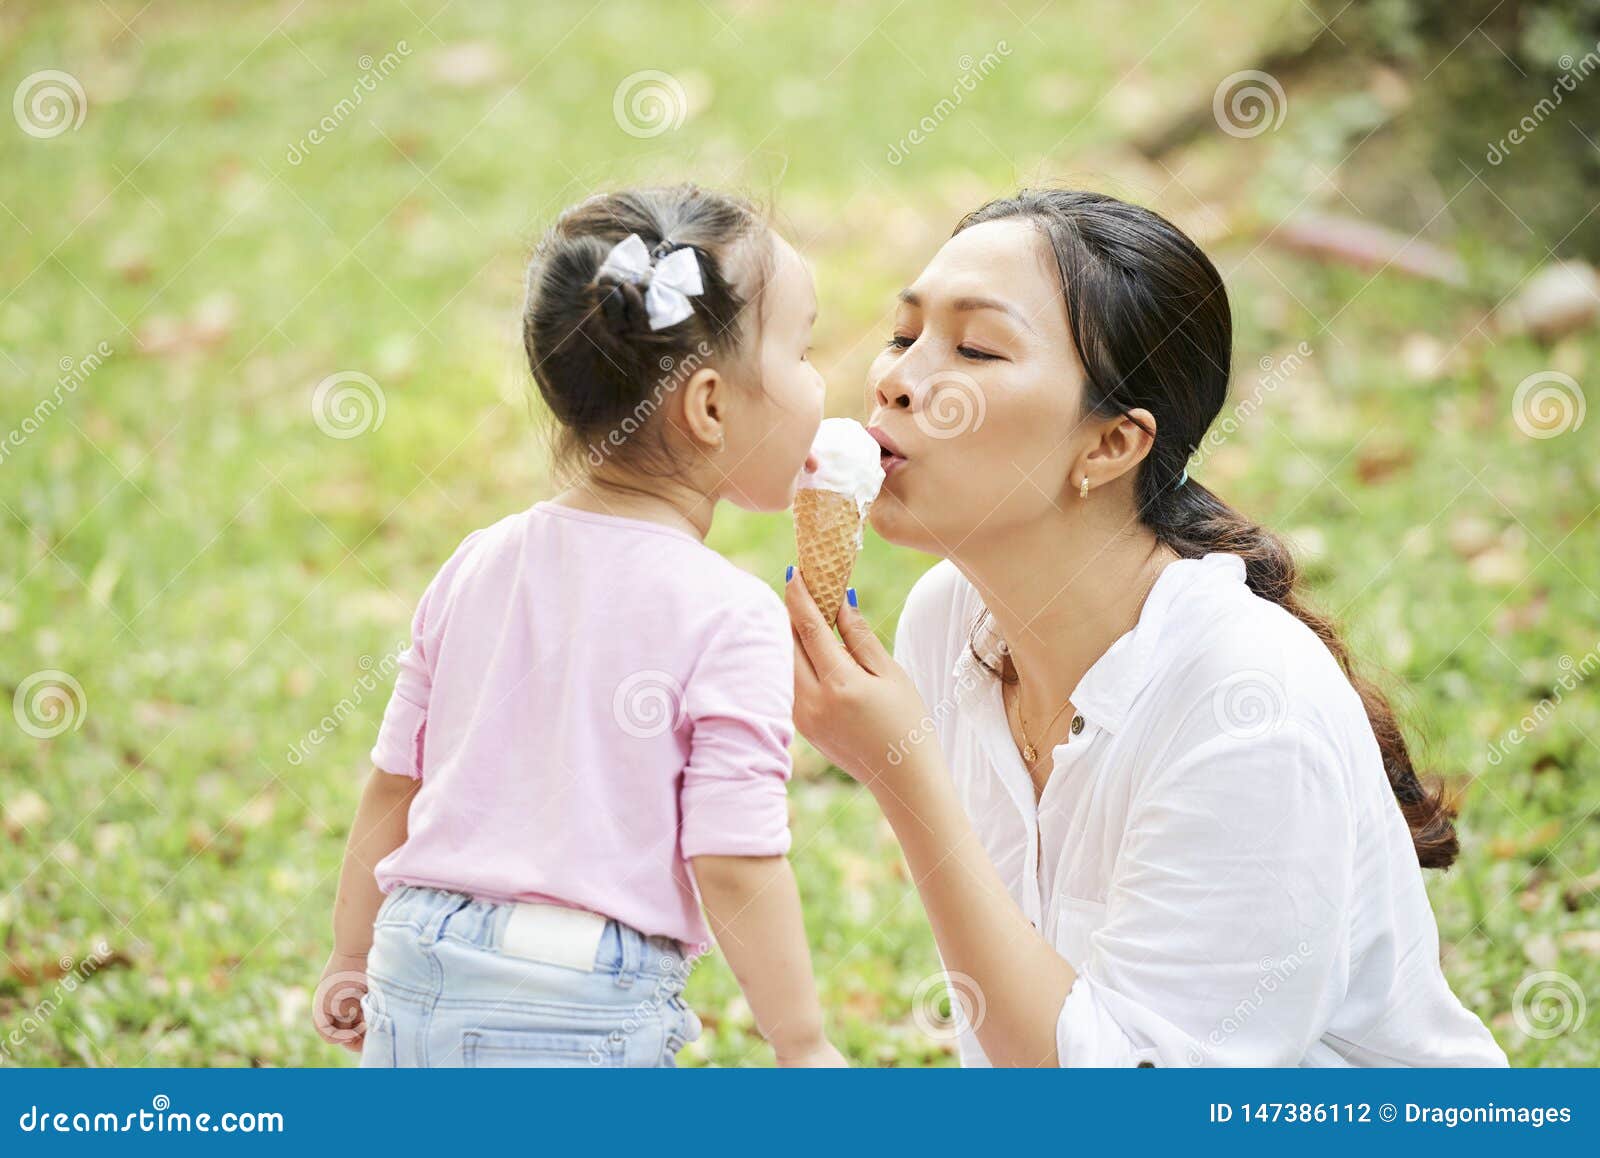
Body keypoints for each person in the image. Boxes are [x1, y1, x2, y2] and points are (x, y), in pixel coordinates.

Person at [786, 189, 1507, 1067]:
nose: (895, 377)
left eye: (974, 348)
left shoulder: (1248, 704)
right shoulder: (947, 623)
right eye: (905, 336)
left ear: (1110, 446)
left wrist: (901, 775)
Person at [315, 185, 842, 1067]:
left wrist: (348, 956)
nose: (823, 381)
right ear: (709, 406)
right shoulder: (731, 613)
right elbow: (732, 857)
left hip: (412, 964)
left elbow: (392, 787)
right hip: (576, 1003)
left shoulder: (478, 560)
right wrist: (803, 1042)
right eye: (806, 348)